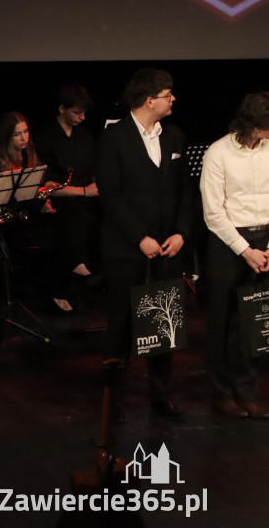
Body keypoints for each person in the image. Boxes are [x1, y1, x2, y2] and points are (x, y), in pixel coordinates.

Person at [95, 69, 193, 421]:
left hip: (168, 247)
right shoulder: (114, 137)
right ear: (150, 100)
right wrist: (141, 238)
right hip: (126, 249)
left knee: (165, 324)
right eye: (169, 94)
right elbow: (112, 195)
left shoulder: (176, 136)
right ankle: (113, 399)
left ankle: (160, 396)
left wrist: (181, 232)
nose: (173, 100)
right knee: (121, 323)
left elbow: (183, 191)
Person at [200, 92, 269, 419]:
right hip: (229, 243)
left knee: (254, 323)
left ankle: (247, 392)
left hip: (265, 238)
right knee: (222, 322)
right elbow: (213, 213)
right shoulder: (218, 153)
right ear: (255, 126)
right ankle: (222, 394)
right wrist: (245, 251)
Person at [0, 112, 68, 311]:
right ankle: (52, 292)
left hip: (28, 216)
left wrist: (44, 200)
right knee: (48, 237)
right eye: (17, 134)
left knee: (62, 225)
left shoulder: (30, 156)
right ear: (7, 136)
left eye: (25, 132)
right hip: (5, 221)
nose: (24, 138)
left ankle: (59, 290)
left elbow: (34, 191)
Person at [35, 84, 101, 301]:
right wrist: (82, 191)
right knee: (73, 212)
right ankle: (79, 268)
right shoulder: (45, 137)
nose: (82, 117)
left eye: (84, 112)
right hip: (61, 201)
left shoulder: (85, 137)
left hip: (88, 198)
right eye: (76, 112)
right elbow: (46, 184)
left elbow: (93, 170)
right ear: (62, 108)